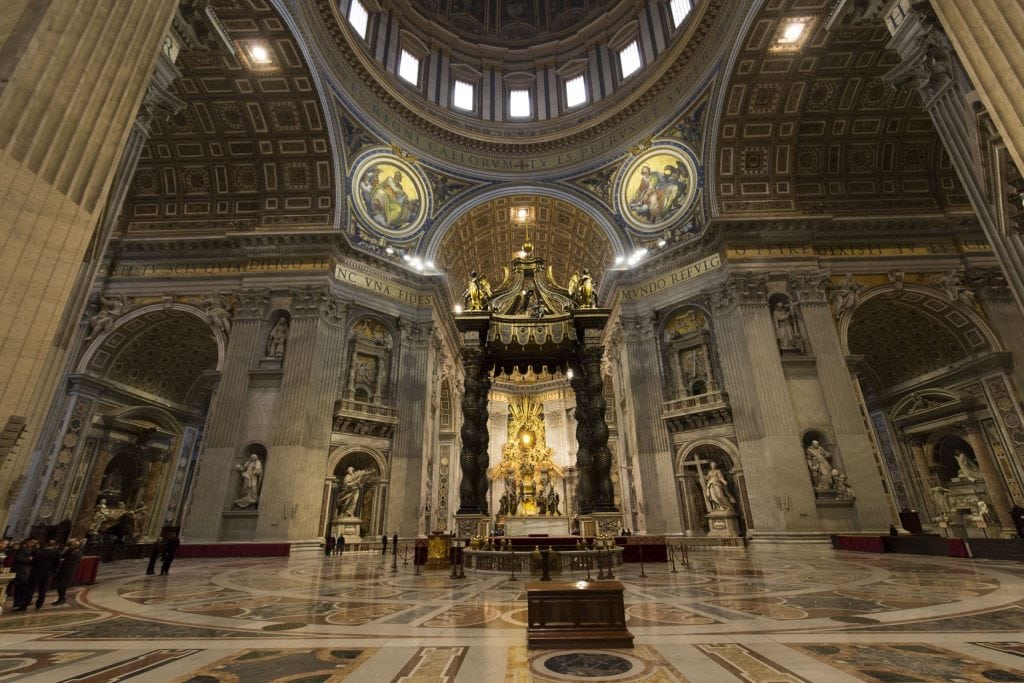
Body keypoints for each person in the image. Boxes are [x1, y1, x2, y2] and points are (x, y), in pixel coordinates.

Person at [30, 539, 60, 610]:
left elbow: (33, 562)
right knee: (43, 589)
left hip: (36, 572)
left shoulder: (40, 552)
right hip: (47, 573)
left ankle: (25, 603)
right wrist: (53, 571)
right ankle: (39, 604)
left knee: (31, 588)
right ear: (54, 545)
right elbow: (57, 564)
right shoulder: (56, 553)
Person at [53, 538, 83, 605]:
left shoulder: (74, 553)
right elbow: (62, 555)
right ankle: (62, 597)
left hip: (67, 571)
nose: (69, 546)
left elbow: (66, 562)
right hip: (68, 571)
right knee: (62, 585)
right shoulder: (74, 552)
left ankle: (61, 598)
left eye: (70, 544)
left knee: (62, 585)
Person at [11, 540, 35, 611]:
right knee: (19, 589)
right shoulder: (22, 550)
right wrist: (29, 559)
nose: (32, 544)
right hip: (20, 572)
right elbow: (18, 558)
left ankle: (21, 603)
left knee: (23, 589)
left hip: (26, 572)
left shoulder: (31, 550)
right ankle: (17, 604)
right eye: (31, 542)